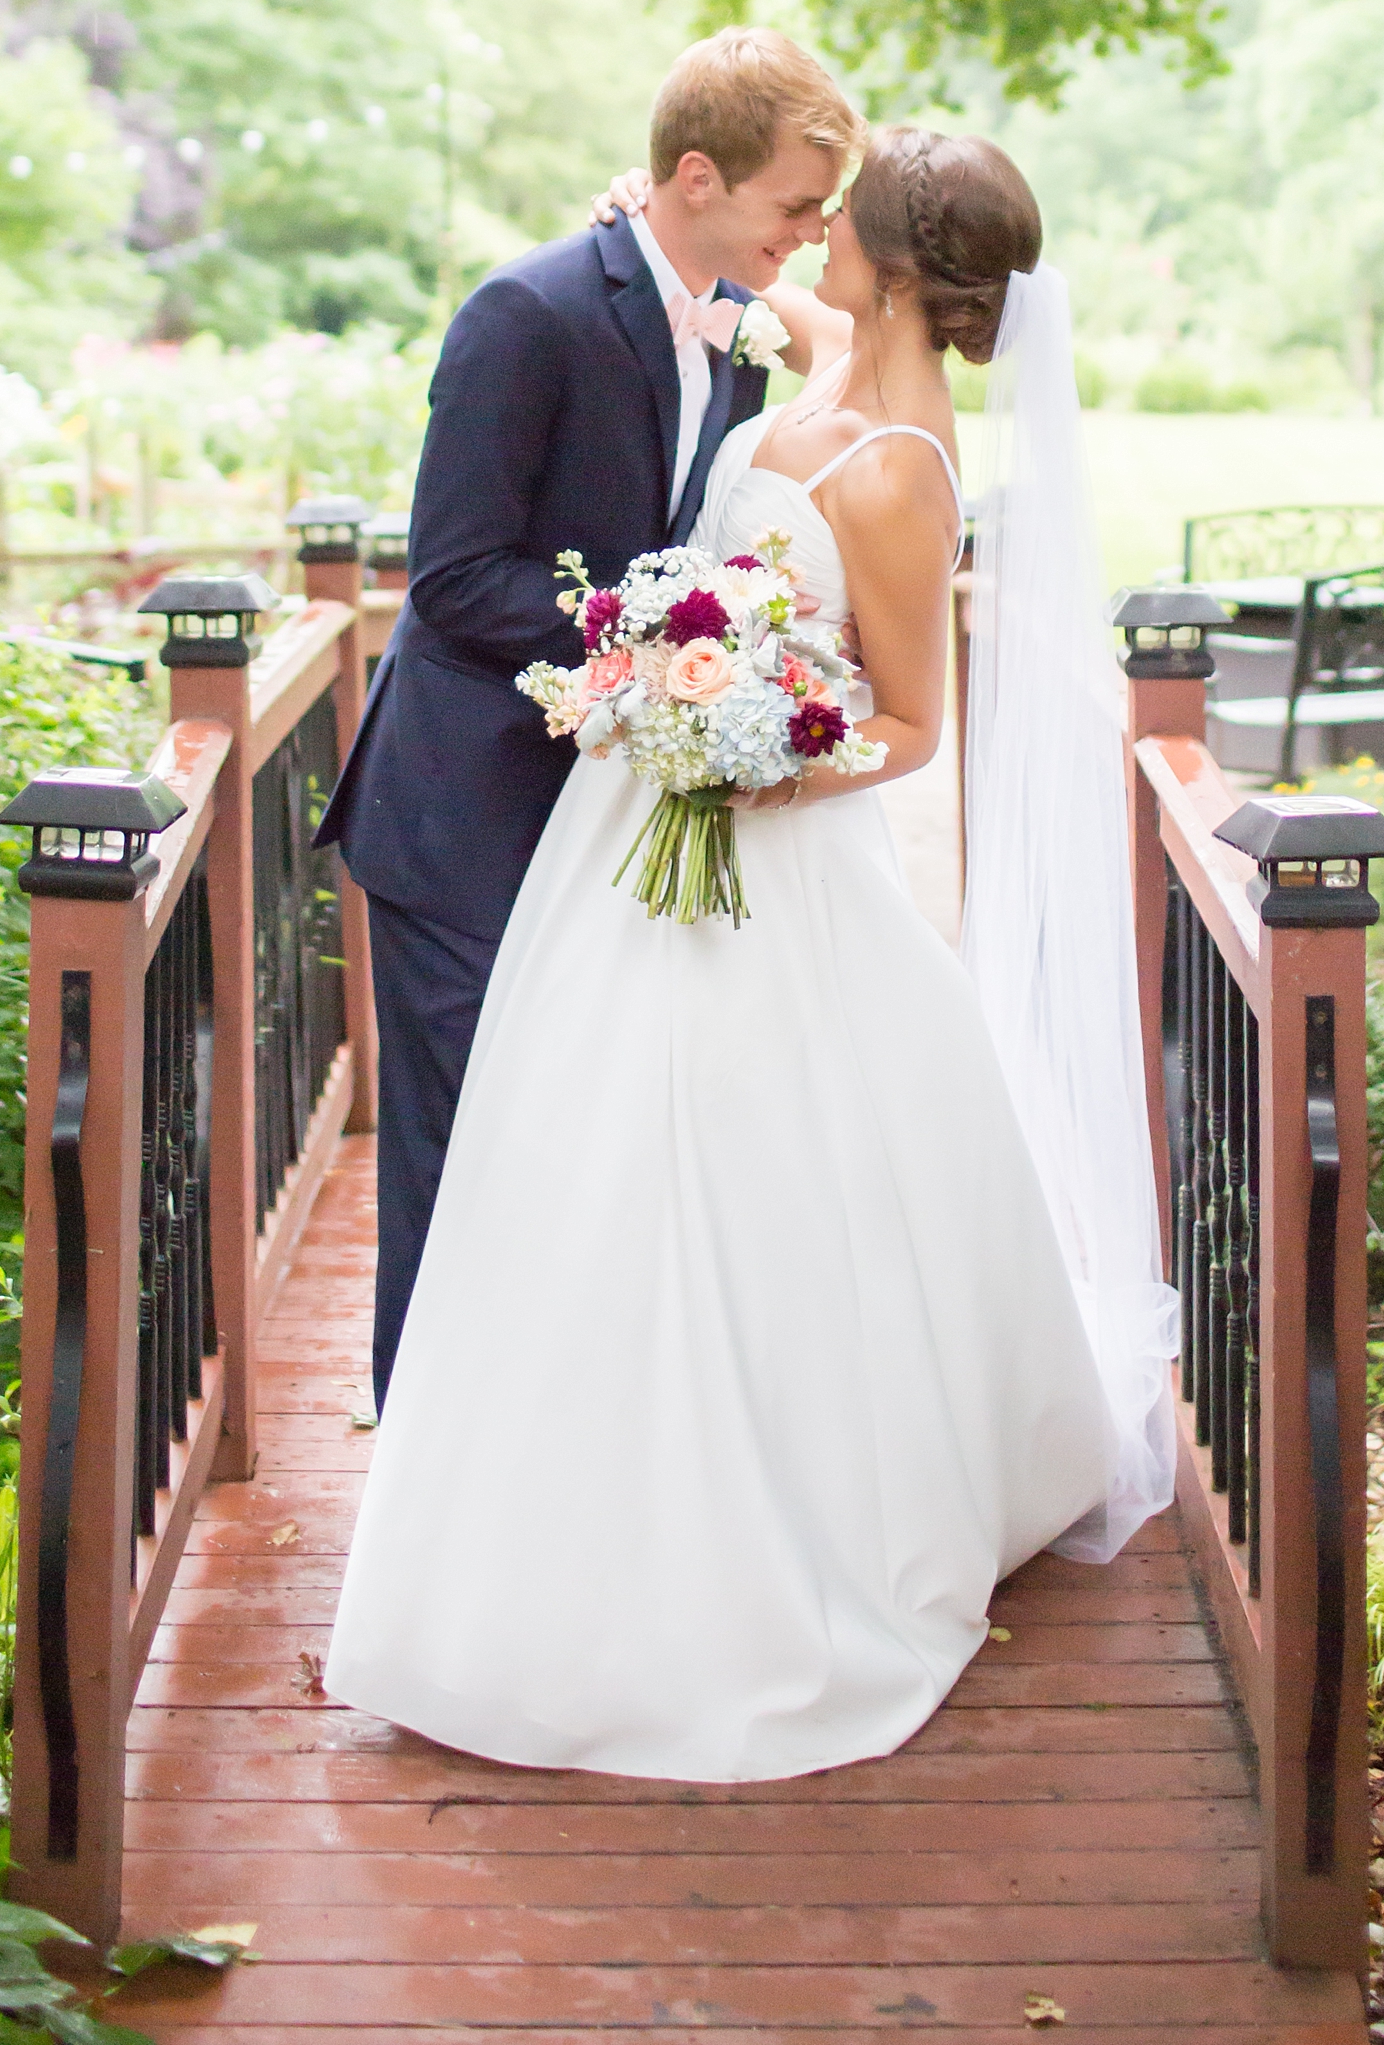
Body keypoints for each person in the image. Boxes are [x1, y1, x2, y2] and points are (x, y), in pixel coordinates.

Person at [324, 125, 1177, 1781]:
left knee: (728, 1196)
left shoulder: (906, 466)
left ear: (908, 264)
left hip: (758, 859)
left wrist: (744, 748)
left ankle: (735, 1532)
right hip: (626, 857)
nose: (816, 228)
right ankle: (544, 1508)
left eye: (841, 215)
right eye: (807, 201)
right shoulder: (806, 368)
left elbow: (914, 724)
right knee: (572, 1172)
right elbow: (703, 298)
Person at [316, 26, 861, 1406]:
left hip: (594, 808)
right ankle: (422, 1447)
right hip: (460, 807)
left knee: (572, 1131)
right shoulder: (528, 312)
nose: (811, 232)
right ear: (695, 178)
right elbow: (454, 577)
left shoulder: (736, 330)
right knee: (458, 1145)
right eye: (795, 204)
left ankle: (541, 1438)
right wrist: (669, 633)